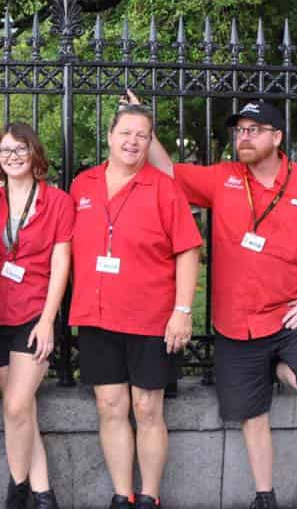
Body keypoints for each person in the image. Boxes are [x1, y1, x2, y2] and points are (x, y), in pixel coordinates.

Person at [131, 92, 297, 509]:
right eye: (239, 131)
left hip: (291, 319)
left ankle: (283, 368)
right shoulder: (224, 177)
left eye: (254, 130)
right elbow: (165, 169)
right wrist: (144, 120)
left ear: (278, 136)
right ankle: (264, 496)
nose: (244, 137)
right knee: (252, 416)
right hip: (236, 325)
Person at [69, 103, 202, 509]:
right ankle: (121, 494)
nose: (132, 141)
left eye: (141, 135)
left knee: (147, 408)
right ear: (109, 136)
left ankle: (149, 497)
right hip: (96, 315)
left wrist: (183, 310)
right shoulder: (82, 185)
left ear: (149, 142)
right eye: (125, 133)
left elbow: (188, 250)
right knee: (110, 406)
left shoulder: (164, 188)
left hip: (150, 317)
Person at [0, 122, 73, 509]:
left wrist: (49, 319)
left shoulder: (58, 201)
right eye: (5, 151)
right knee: (22, 409)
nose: (12, 157)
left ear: (35, 154)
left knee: (15, 406)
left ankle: (17, 491)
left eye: (19, 150)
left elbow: (61, 262)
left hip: (33, 315)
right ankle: (44, 493)